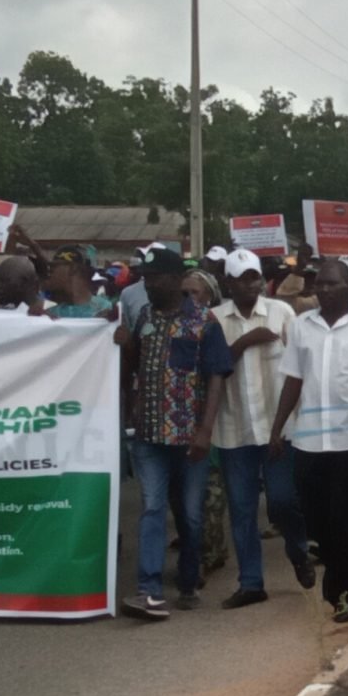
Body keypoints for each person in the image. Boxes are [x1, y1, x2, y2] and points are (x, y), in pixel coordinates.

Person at [271, 259, 348, 625]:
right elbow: (293, 379)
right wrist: (276, 429)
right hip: (308, 437)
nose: (323, 289)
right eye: (319, 284)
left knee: (342, 517)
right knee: (313, 513)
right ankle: (323, 555)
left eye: (331, 284)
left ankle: (343, 594)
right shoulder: (301, 327)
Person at [117, 248, 231, 620]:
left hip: (188, 437)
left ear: (174, 280)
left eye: (154, 278)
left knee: (190, 515)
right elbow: (134, 365)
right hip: (149, 432)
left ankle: (187, 579)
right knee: (151, 507)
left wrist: (205, 430)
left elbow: (216, 375)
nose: (148, 285)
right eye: (145, 278)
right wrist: (124, 342)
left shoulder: (203, 321)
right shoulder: (145, 317)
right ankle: (148, 589)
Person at [210, 249, 312, 609]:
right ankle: (251, 582)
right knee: (241, 509)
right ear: (229, 283)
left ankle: (299, 550)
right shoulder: (215, 319)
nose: (250, 283)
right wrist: (246, 341)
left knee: (283, 500)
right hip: (233, 429)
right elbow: (213, 368)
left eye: (254, 276)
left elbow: (301, 365)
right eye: (242, 278)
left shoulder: (282, 313)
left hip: (277, 428)